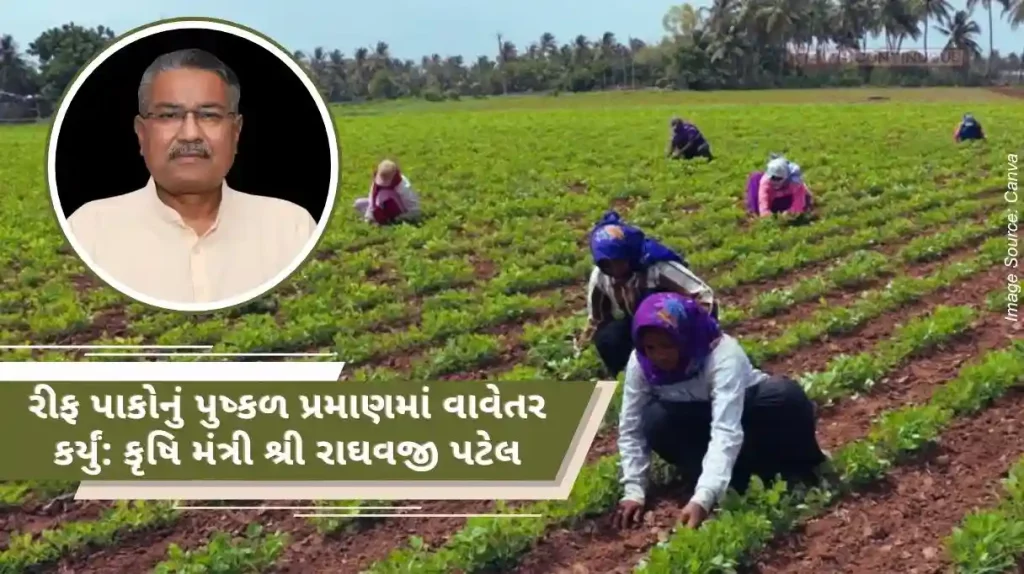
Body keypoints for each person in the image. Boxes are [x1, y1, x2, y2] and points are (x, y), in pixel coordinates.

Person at [66, 49, 316, 305]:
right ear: (141, 134)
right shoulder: (87, 231)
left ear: (236, 132)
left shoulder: (292, 228)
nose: (189, 134)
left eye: (209, 115)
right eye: (169, 115)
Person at [612, 293, 828, 530]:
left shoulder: (722, 355)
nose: (659, 355)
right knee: (653, 419)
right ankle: (729, 477)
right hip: (696, 422)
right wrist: (634, 490)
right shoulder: (641, 362)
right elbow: (631, 426)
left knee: (786, 397)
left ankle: (797, 467)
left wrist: (703, 498)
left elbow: (726, 427)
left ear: (685, 337)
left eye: (667, 345)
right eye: (650, 347)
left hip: (748, 413)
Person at [577, 211, 717, 377]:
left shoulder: (658, 268)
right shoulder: (601, 276)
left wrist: (700, 330)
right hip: (641, 328)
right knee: (609, 337)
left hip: (674, 323)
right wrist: (582, 348)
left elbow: (704, 296)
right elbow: (597, 318)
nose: (614, 269)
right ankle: (630, 375)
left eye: (619, 262)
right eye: (607, 264)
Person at [353, 159, 422, 224]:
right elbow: (372, 198)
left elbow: (414, 210)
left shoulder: (403, 186)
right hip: (382, 204)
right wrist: (369, 215)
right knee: (358, 203)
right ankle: (377, 216)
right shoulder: (377, 180)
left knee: (382, 194)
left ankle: (384, 218)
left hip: (398, 209)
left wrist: (399, 218)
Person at [745, 155, 813, 218]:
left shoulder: (795, 182)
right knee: (755, 178)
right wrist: (765, 213)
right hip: (772, 199)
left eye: (778, 179)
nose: (775, 182)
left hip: (787, 198)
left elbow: (799, 200)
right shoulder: (765, 181)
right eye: (773, 179)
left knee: (805, 203)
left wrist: (791, 212)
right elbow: (763, 198)